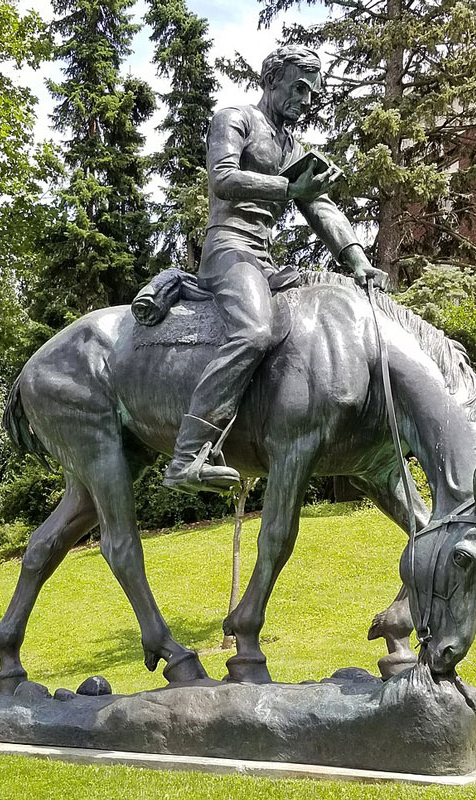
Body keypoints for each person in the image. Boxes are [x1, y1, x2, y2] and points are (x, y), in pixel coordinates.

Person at [163, 45, 388, 494]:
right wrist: (288, 186)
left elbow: (319, 206)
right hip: (229, 249)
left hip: (265, 262)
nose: (307, 100)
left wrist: (359, 259)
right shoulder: (234, 119)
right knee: (253, 331)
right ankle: (188, 456)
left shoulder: (291, 146)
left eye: (313, 93)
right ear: (273, 79)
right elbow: (222, 180)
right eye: (300, 88)